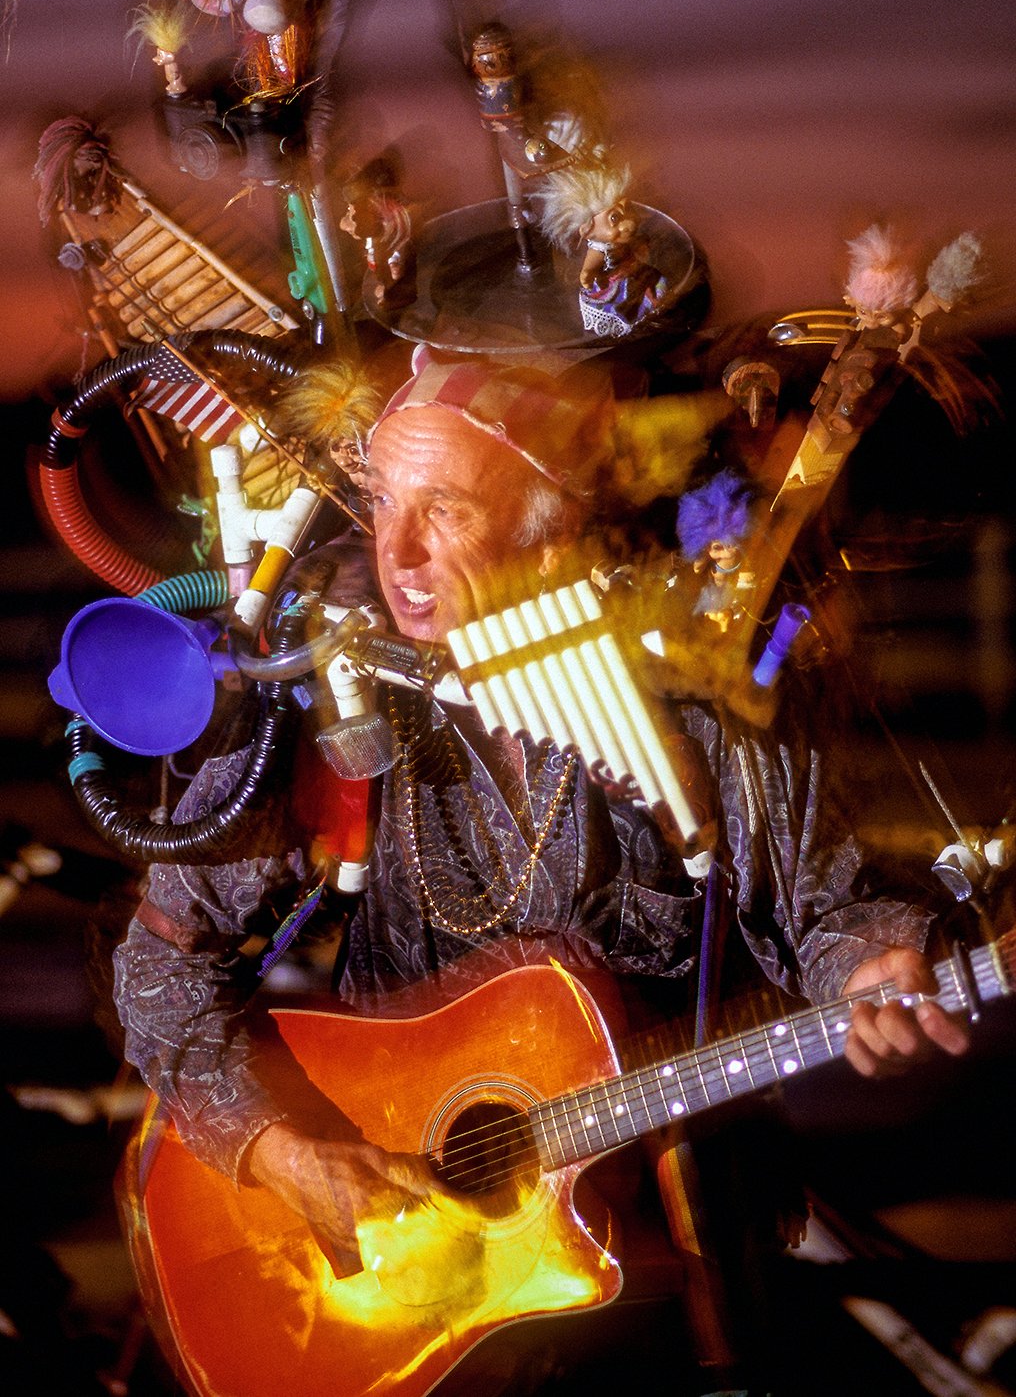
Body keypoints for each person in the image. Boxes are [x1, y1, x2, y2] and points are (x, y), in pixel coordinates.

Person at [111, 352, 968, 1346]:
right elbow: (161, 961)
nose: (398, 553)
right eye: (383, 501)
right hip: (401, 1280)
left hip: (664, 1263)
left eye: (444, 509)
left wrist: (869, 964)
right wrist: (286, 1155)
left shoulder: (690, 705)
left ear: (549, 531)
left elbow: (825, 911)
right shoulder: (333, 699)